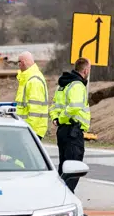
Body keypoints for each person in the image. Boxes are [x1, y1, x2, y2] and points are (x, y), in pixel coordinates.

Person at [52, 57, 91, 194]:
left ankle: (60, 199)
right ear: (85, 70)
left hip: (63, 131)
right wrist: (62, 119)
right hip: (73, 132)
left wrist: (56, 119)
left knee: (64, 168)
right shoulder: (77, 86)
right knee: (74, 168)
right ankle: (66, 202)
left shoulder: (63, 85)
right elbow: (74, 107)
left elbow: (54, 106)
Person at [14, 51, 50, 138]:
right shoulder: (28, 78)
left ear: (22, 63)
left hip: (31, 130)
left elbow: (35, 111)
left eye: (18, 63)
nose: (18, 66)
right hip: (26, 128)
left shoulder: (34, 81)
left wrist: (28, 129)